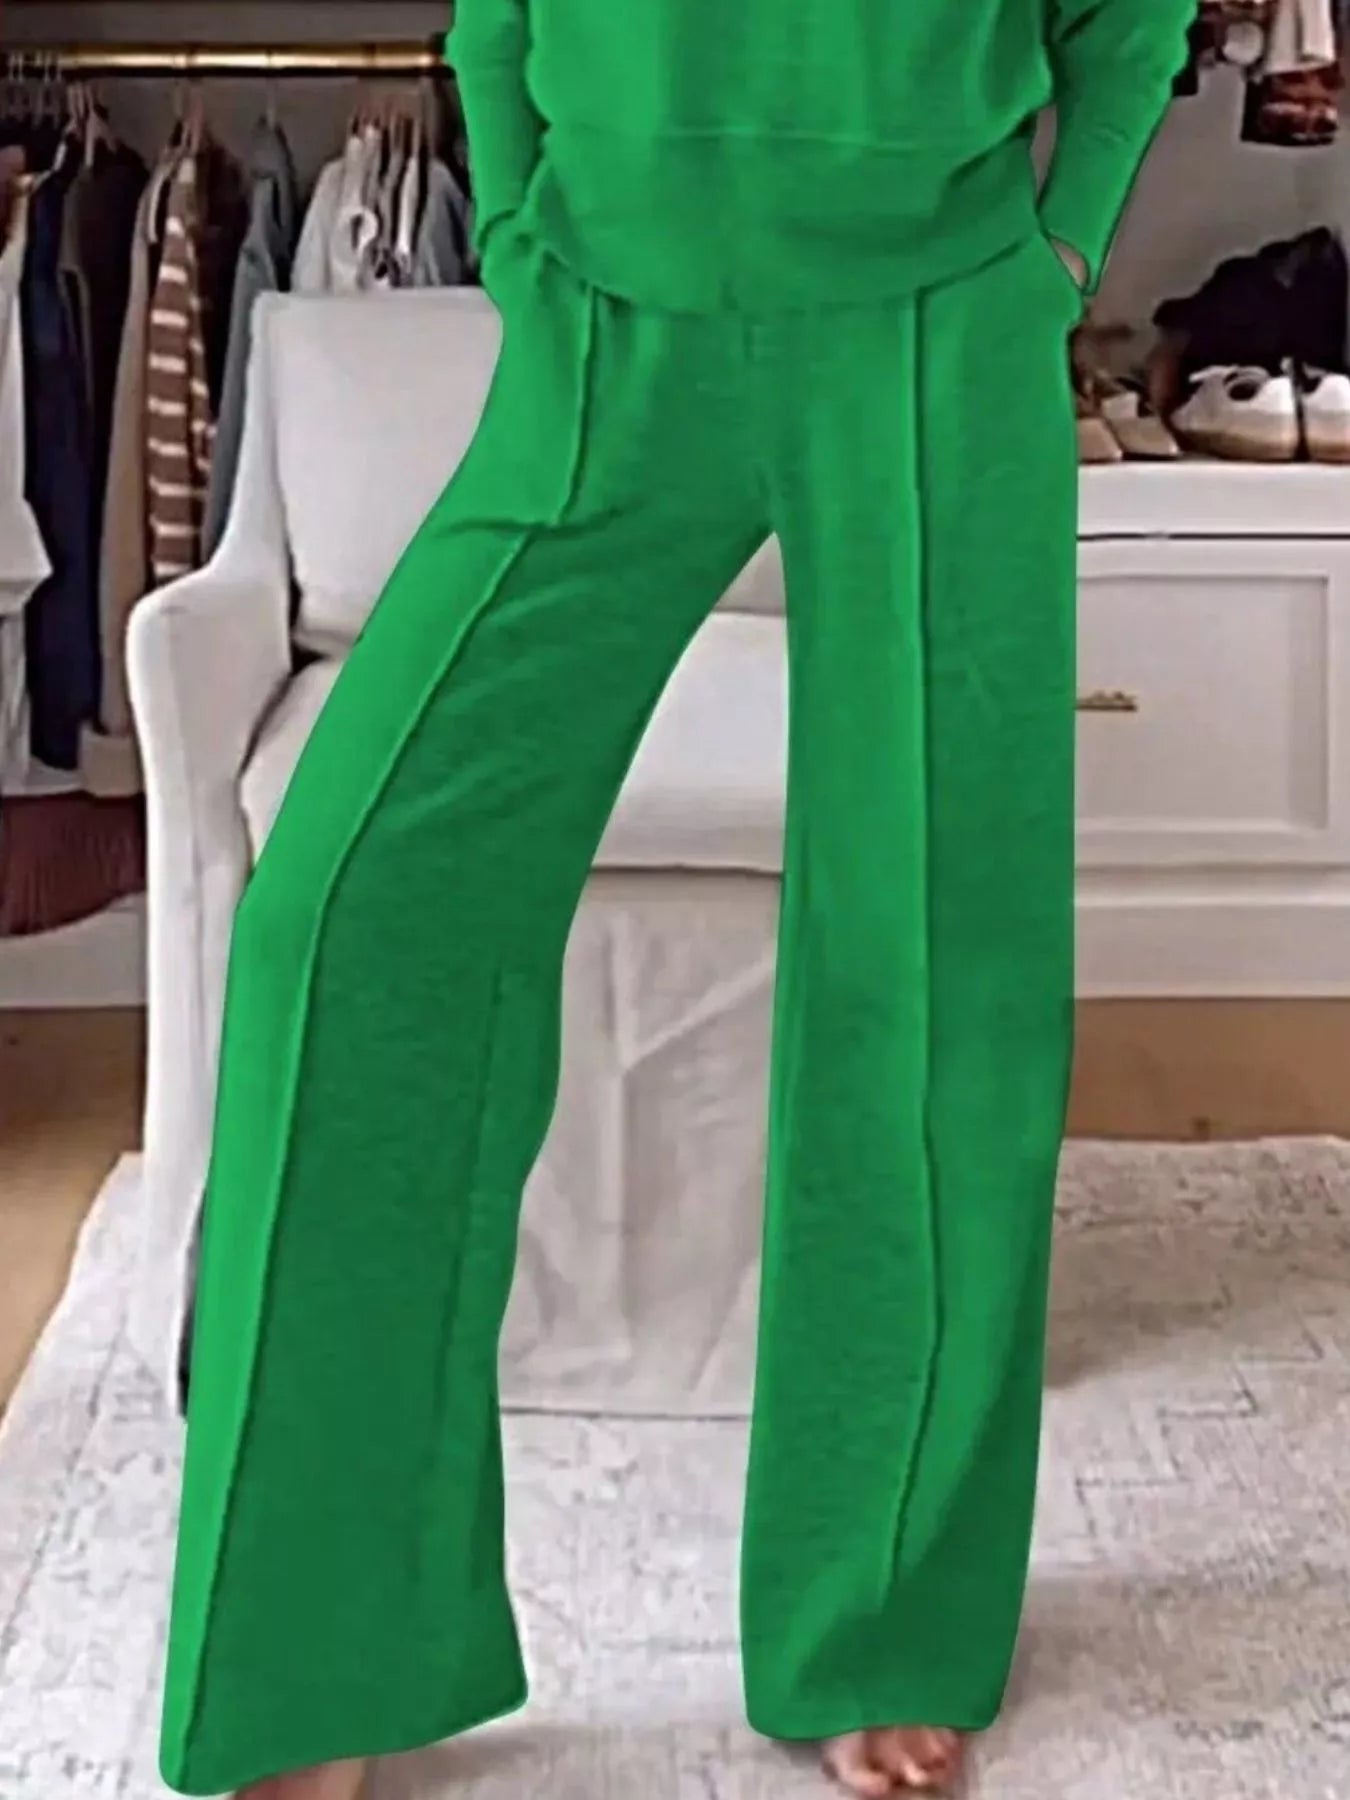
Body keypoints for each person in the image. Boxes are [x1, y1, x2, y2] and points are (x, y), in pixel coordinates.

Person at [158, 1, 1195, 1795]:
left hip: (940, 317)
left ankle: (881, 1620)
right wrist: (514, 225)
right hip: (609, 317)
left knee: (933, 982)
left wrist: (1064, 243)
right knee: (341, 916)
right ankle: (313, 1659)